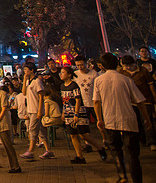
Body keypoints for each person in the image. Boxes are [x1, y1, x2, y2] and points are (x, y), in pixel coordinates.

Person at [94, 52, 151, 183]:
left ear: (102, 66)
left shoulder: (99, 80)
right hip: (128, 119)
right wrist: (147, 118)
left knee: (115, 149)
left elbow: (96, 102)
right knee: (133, 153)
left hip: (110, 119)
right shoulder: (126, 80)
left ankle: (122, 176)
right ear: (118, 64)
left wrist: (99, 119)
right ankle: (137, 179)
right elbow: (139, 101)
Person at [58, 66, 100, 164]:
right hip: (68, 113)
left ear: (69, 75)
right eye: (61, 72)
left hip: (78, 112)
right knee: (73, 135)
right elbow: (64, 101)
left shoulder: (74, 85)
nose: (61, 74)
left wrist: (76, 114)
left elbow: (78, 100)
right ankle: (79, 156)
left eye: (63, 72)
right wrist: (64, 113)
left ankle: (99, 147)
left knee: (83, 135)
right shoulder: (62, 86)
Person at [72, 55, 107, 158]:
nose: (80, 67)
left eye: (82, 64)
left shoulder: (94, 74)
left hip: (94, 102)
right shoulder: (75, 75)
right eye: (78, 65)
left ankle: (105, 139)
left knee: (99, 122)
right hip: (82, 104)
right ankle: (88, 144)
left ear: (86, 63)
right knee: (84, 125)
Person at [20, 62, 52, 160]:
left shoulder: (37, 81)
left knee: (32, 130)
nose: (25, 71)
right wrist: (24, 80)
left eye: (26, 70)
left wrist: (39, 111)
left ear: (32, 70)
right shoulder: (28, 81)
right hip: (30, 109)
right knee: (41, 131)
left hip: (36, 109)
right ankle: (48, 151)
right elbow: (23, 93)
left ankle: (31, 151)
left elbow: (41, 96)